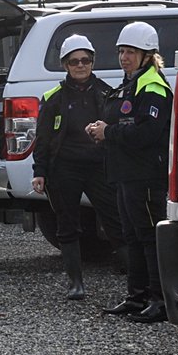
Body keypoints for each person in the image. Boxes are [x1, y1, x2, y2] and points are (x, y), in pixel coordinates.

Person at [86, 21, 172, 323]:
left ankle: (159, 300)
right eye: (122, 51)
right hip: (125, 174)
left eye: (131, 52)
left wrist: (108, 132)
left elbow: (146, 134)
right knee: (132, 236)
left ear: (148, 54)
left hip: (145, 175)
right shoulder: (130, 84)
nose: (124, 57)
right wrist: (101, 130)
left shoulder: (153, 87)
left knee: (149, 237)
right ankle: (136, 297)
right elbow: (123, 124)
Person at [32, 34, 123, 300]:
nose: (80, 66)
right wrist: (40, 172)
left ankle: (135, 277)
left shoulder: (107, 93)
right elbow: (43, 138)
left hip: (98, 167)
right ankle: (76, 283)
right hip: (64, 169)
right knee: (67, 225)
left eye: (85, 60)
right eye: (74, 61)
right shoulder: (53, 98)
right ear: (65, 65)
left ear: (92, 62)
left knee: (116, 220)